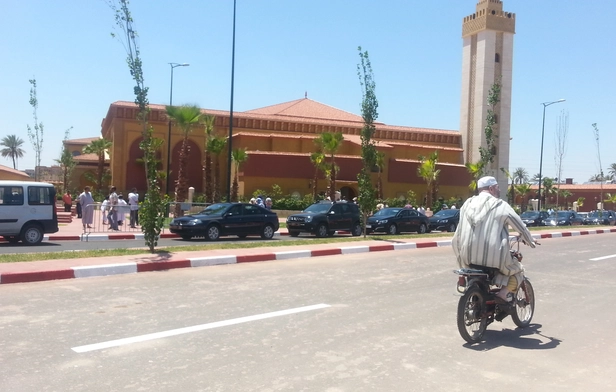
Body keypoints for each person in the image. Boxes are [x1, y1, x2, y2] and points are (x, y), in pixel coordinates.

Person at [452, 176, 536, 304]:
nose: (499, 190)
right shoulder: (501, 205)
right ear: (491, 188)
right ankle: (503, 294)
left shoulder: (466, 204)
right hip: (493, 259)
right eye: (497, 187)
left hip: (467, 258)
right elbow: (520, 227)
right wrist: (531, 241)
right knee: (518, 269)